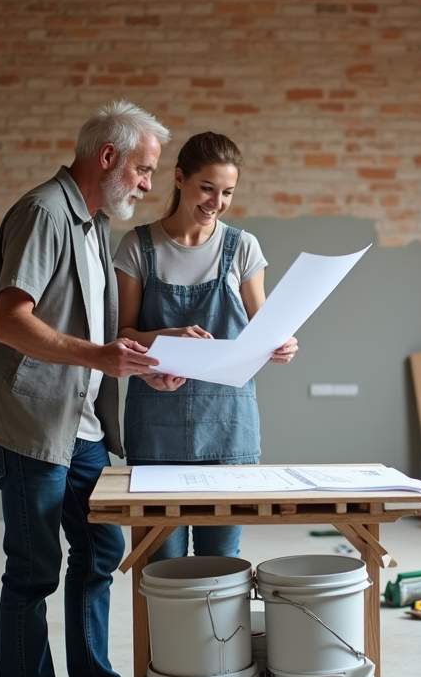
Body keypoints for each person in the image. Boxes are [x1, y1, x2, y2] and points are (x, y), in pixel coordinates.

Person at [0, 99, 174, 677]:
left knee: (101, 552)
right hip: (32, 428)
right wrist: (101, 356)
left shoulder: (91, 224)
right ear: (109, 157)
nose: (148, 184)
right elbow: (10, 322)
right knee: (33, 571)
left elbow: (97, 336)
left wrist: (145, 360)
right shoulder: (45, 214)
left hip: (82, 429)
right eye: (144, 169)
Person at [114, 131, 298, 561]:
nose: (216, 202)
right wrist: (166, 336)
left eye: (227, 192)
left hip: (228, 428)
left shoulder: (242, 248)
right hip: (155, 429)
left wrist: (282, 345)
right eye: (207, 188)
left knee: (223, 564)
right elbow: (123, 336)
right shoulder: (138, 246)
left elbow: (266, 329)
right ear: (179, 179)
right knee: (161, 566)